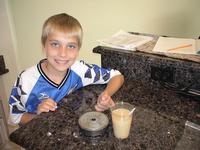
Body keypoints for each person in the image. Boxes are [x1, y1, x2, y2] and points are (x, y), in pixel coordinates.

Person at [9, 13, 124, 125]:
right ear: (44, 45)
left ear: (78, 50)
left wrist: (106, 95)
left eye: (70, 46)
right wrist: (38, 116)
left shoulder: (79, 69)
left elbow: (117, 76)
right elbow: (16, 117)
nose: (63, 53)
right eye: (55, 44)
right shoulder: (26, 80)